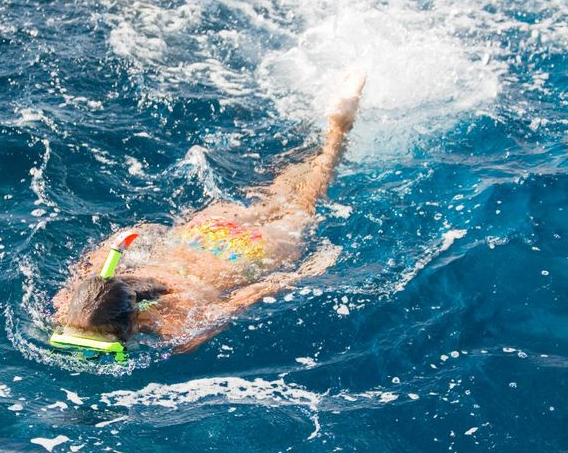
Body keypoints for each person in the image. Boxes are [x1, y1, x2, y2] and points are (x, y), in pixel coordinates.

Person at [51, 73, 365, 354]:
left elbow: (244, 298)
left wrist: (301, 273)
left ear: (132, 327)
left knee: (306, 201)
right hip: (205, 230)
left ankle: (338, 131)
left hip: (245, 254)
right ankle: (320, 136)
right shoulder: (75, 298)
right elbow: (106, 253)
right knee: (274, 198)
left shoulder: (176, 326)